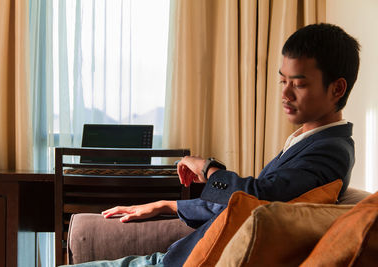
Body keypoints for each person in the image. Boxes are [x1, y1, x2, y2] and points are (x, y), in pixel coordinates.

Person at [69, 23, 360, 267]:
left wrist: (208, 167)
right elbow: (250, 207)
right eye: (282, 80)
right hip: (176, 256)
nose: (284, 93)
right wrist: (168, 205)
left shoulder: (331, 151)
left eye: (298, 84)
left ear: (336, 88)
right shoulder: (306, 141)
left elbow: (262, 196)